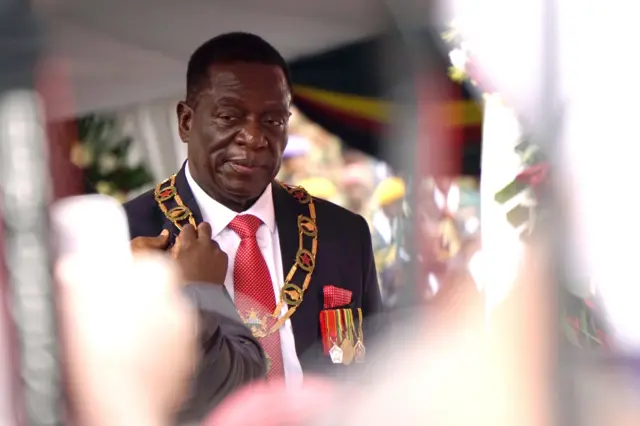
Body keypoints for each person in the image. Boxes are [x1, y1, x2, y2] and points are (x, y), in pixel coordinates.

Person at [123, 31, 382, 406]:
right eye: (229, 116)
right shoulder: (129, 239)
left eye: (273, 120)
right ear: (185, 121)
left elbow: (373, 373)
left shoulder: (341, 234)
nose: (253, 137)